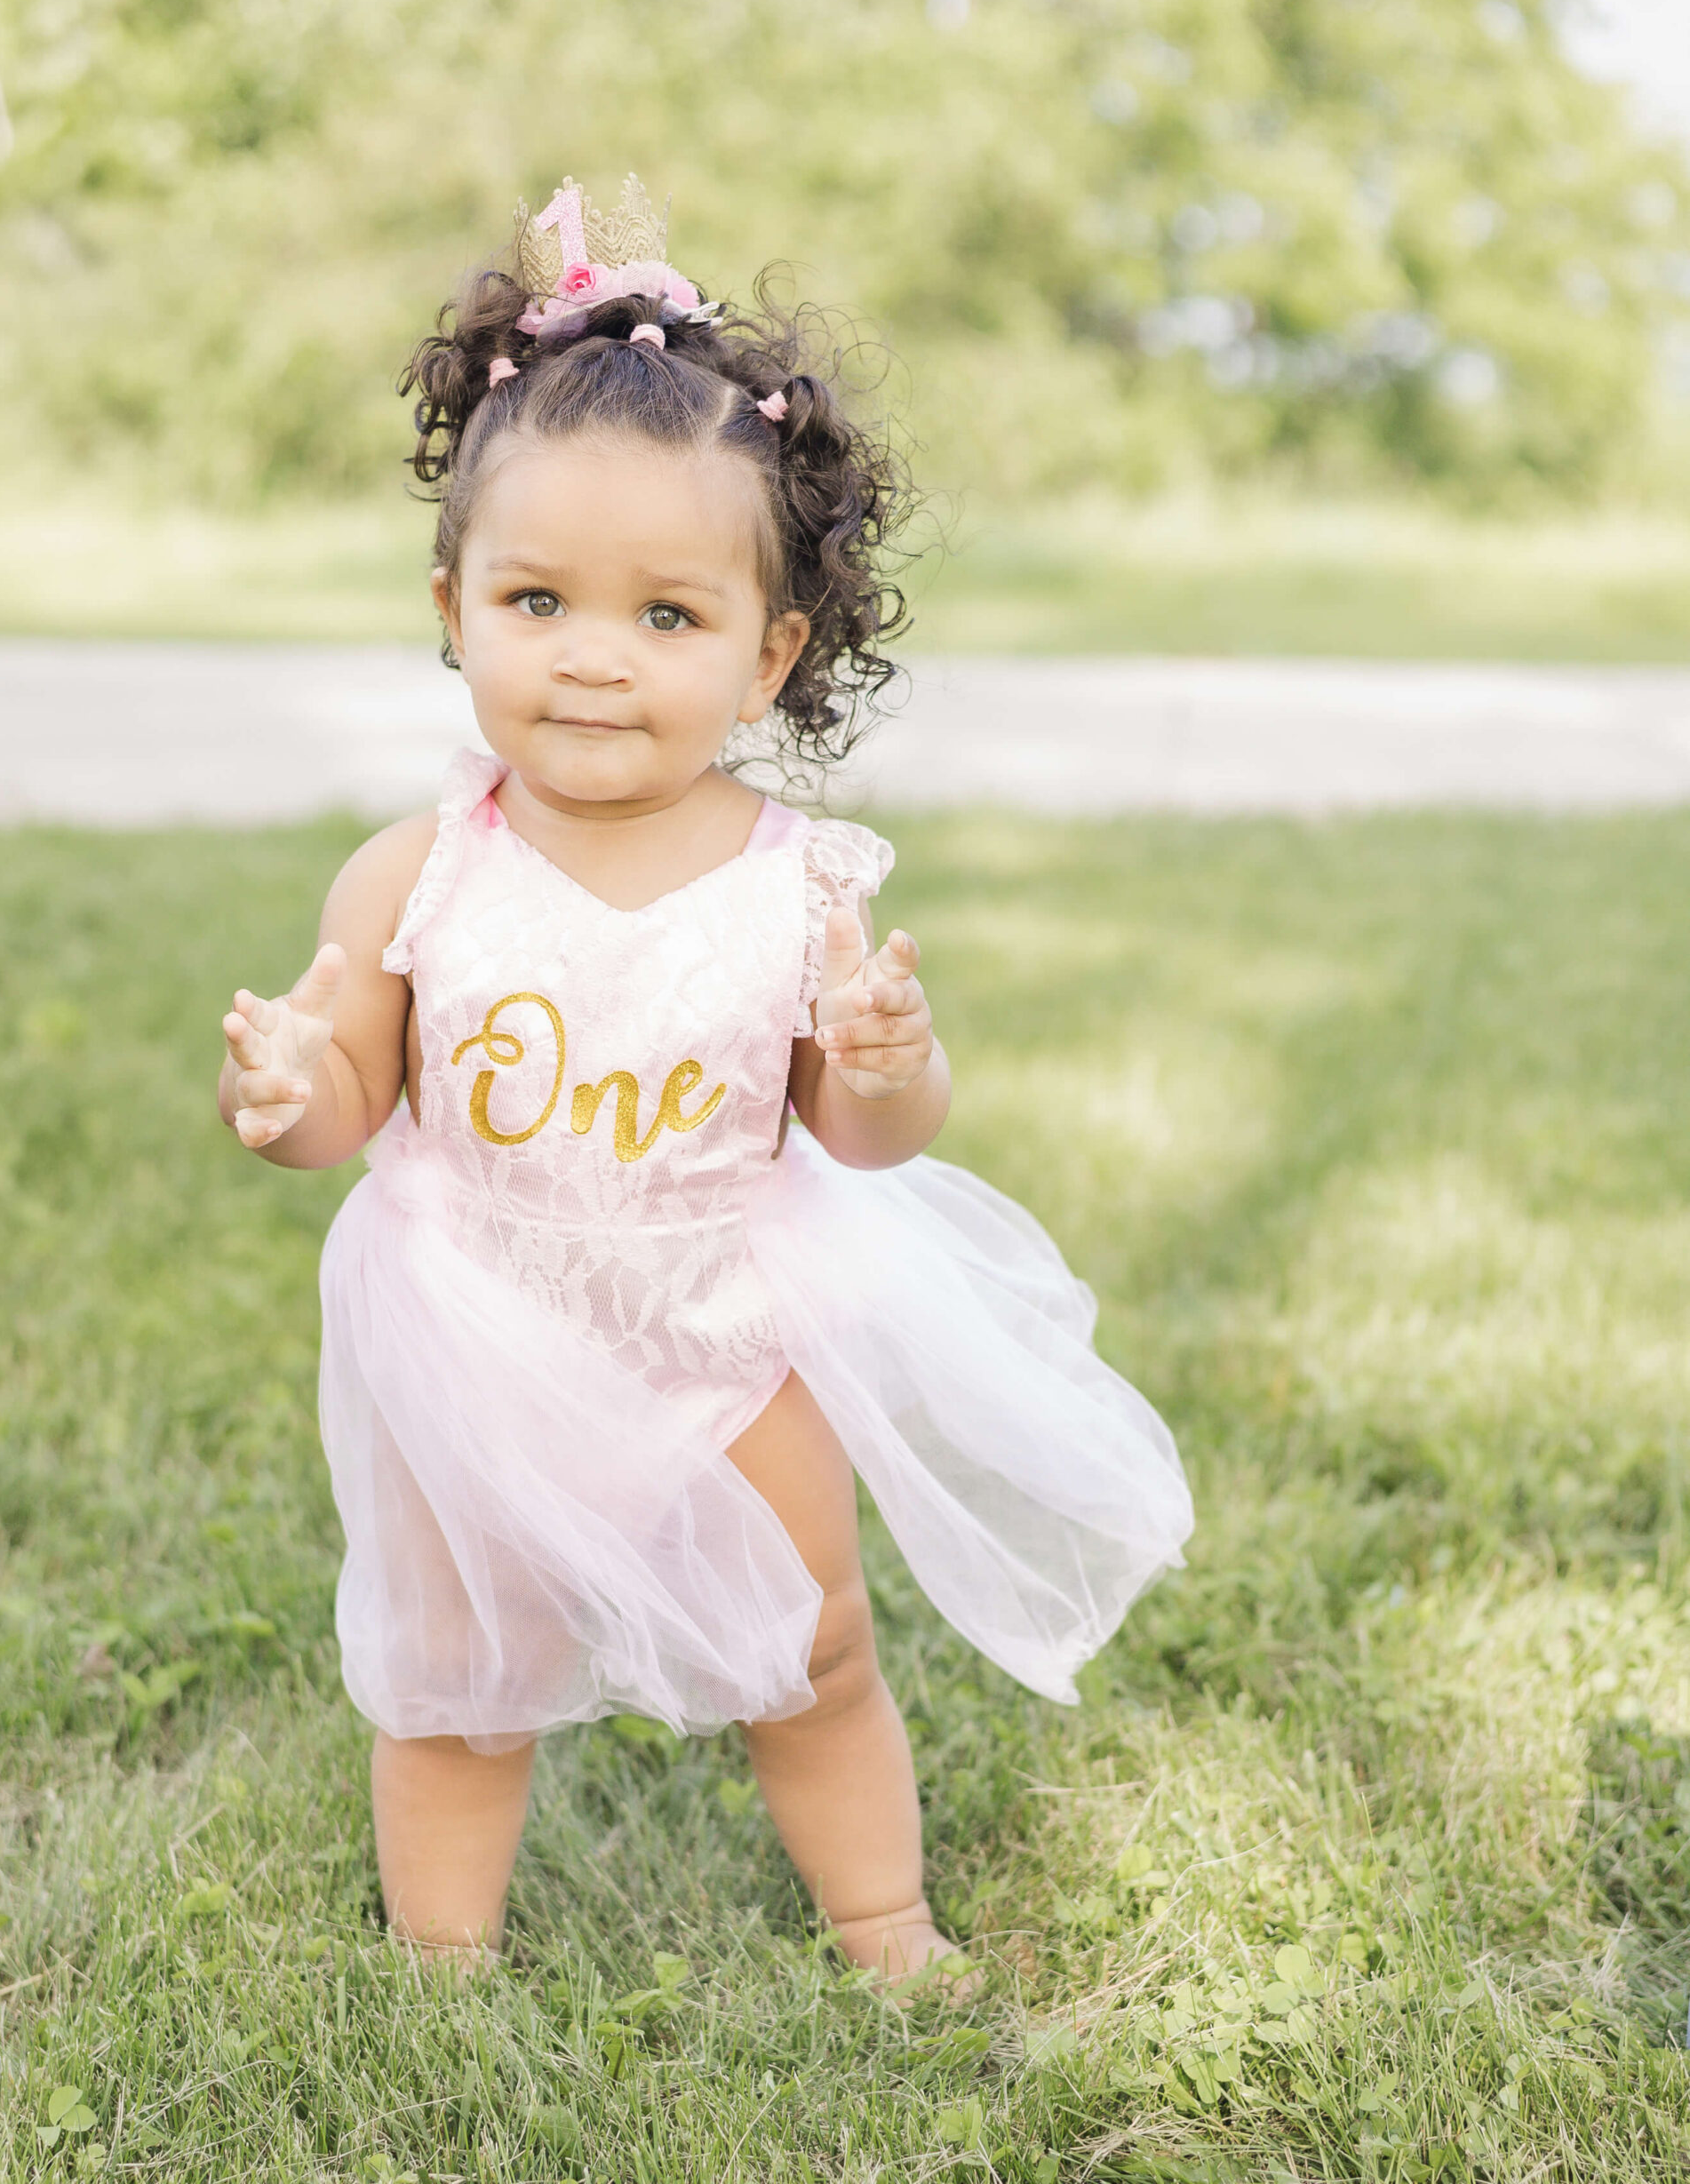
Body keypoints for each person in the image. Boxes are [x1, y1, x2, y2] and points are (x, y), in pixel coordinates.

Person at [217, 177, 1192, 1993]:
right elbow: (354, 1098)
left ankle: (884, 1925)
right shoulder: (412, 868)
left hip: (729, 1304)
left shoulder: (801, 881)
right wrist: (290, 1090)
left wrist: (898, 1063)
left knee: (809, 1638)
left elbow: (859, 1131)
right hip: (476, 1307)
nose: (594, 652)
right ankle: (443, 1952)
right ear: (455, 607)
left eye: (667, 616)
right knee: (460, 1658)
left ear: (769, 650)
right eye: (538, 598)